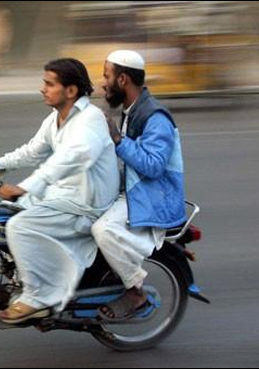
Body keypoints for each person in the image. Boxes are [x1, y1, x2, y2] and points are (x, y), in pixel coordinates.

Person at [0, 58, 119, 324]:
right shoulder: (56, 119)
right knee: (1, 213)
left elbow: (70, 159)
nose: (43, 89)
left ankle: (38, 298)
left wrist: (25, 187)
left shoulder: (90, 120)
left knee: (19, 226)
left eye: (49, 84)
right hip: (64, 196)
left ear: (70, 91)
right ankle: (24, 275)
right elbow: (31, 151)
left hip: (86, 205)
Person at [91, 50, 187, 321]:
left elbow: (154, 166)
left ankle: (135, 293)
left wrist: (118, 140)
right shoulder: (132, 110)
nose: (102, 83)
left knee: (103, 229)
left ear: (122, 80)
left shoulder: (155, 116)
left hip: (155, 197)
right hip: (136, 189)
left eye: (106, 76)